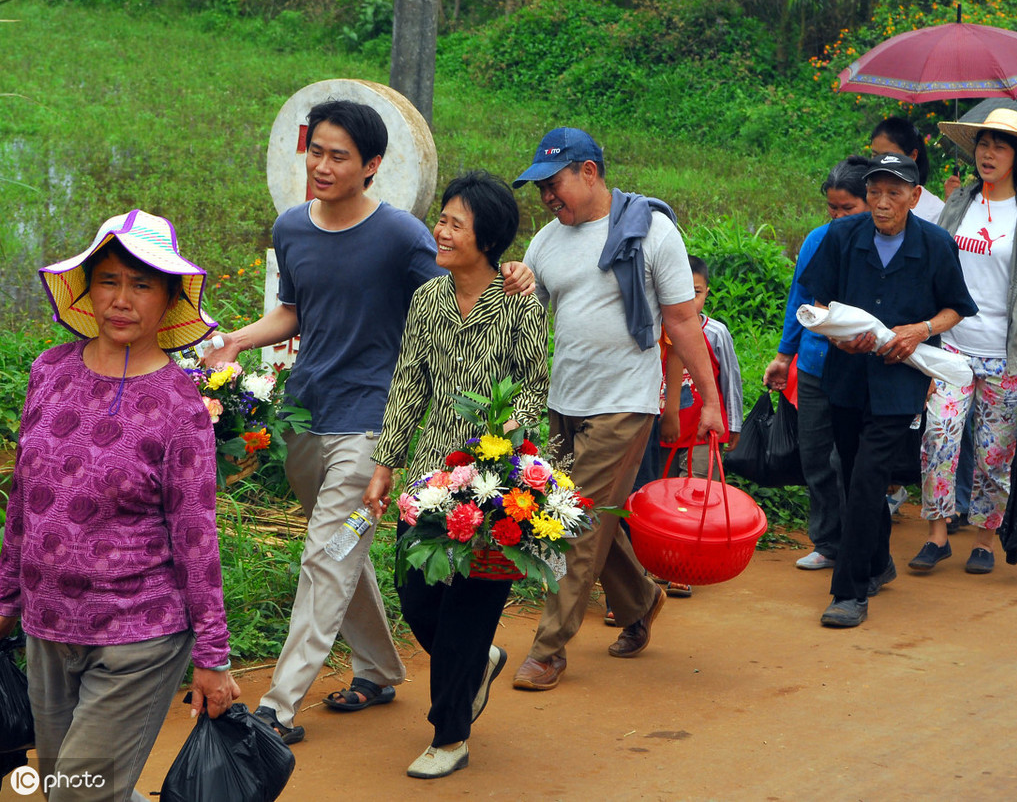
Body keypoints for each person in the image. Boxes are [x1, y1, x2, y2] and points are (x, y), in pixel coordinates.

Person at [200, 100, 533, 743]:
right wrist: (238, 340)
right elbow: (294, 310)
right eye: (316, 151)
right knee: (341, 553)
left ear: (372, 165)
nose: (321, 166)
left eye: (338, 156)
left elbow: (465, 283)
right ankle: (382, 669)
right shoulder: (292, 227)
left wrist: (512, 274)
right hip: (305, 415)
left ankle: (278, 706)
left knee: (326, 556)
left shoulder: (402, 237)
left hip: (371, 422)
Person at [0, 210, 240, 802]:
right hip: (48, 626)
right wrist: (5, 596)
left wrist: (212, 654)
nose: (122, 300)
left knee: (79, 796)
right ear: (87, 290)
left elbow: (196, 536)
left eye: (142, 285)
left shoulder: (180, 406)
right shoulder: (49, 372)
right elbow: (23, 501)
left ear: (168, 299)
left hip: (140, 633)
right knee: (70, 786)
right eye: (108, 281)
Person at [507, 127, 724, 688]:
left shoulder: (650, 231)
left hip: (625, 401)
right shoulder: (547, 242)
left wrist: (709, 401)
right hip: (564, 399)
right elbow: (528, 323)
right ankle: (639, 600)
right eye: (540, 189)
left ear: (588, 171)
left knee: (571, 521)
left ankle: (550, 649)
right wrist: (514, 289)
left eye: (554, 184)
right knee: (587, 515)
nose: (548, 198)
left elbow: (680, 321)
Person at [362, 172, 548, 780]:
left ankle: (450, 736)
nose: (440, 231)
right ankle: (480, 660)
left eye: (454, 224)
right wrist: (387, 465)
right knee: (417, 597)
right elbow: (408, 387)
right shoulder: (427, 300)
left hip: (496, 488)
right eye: (441, 220)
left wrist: (492, 453)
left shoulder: (518, 300)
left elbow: (532, 387)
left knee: (468, 608)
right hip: (427, 483)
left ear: (487, 238)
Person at [799, 153, 977, 627]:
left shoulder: (938, 244)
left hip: (900, 383)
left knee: (867, 479)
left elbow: (956, 308)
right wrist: (842, 337)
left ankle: (850, 592)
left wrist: (921, 329)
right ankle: (878, 562)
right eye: (874, 192)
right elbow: (819, 306)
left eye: (893, 194)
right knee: (855, 473)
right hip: (847, 378)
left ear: (915, 197)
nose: (881, 203)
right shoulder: (841, 236)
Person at [909, 109, 1017, 574]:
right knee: (939, 435)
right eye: (983, 143)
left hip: (1008, 354)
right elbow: (932, 270)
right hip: (952, 346)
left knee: (994, 453)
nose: (988, 153)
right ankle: (938, 534)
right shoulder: (959, 204)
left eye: (1000, 145)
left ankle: (984, 537)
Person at [764, 156, 872, 571]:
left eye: (849, 208)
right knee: (814, 453)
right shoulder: (816, 241)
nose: (839, 216)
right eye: (833, 208)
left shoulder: (875, 250)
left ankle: (859, 542)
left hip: (857, 368)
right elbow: (799, 301)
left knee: (849, 458)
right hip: (812, 365)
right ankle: (828, 541)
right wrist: (783, 356)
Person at [657, 254, 744, 597]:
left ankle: (684, 566)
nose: (690, 300)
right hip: (662, 431)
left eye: (696, 292)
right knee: (662, 496)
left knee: (694, 497)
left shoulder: (716, 333)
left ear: (707, 292)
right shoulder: (656, 330)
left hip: (701, 434)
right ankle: (659, 561)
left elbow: (731, 382)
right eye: (682, 292)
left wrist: (731, 424)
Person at [870, 116, 944, 224]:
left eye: (889, 156)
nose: (881, 162)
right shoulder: (862, 197)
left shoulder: (934, 212)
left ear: (913, 155)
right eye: (875, 155)